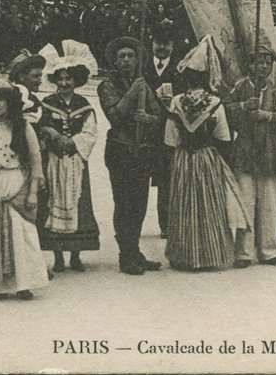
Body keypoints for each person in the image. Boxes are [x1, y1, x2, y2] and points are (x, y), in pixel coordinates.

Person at [163, 36, 247, 271]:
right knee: (209, 205)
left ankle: (184, 255)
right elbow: (223, 138)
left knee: (184, 204)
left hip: (184, 158)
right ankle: (210, 254)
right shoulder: (216, 102)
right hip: (207, 158)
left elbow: (170, 138)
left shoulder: (177, 102)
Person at [0, 76, 48, 299]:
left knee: (20, 232)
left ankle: (23, 283)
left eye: (1, 99)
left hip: (16, 180)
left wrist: (33, 191)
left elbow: (36, 159)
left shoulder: (23, 126)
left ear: (10, 102)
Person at [97, 36, 164, 275]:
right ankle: (126, 255)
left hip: (142, 151)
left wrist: (149, 119)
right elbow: (114, 115)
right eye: (121, 57)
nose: (126, 60)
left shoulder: (142, 83)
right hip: (120, 150)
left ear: (137, 60)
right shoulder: (107, 85)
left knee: (139, 204)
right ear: (115, 61)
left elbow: (159, 117)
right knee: (124, 204)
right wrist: (131, 95)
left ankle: (135, 251)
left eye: (131, 56)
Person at [226, 46, 276, 267]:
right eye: (258, 62)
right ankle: (244, 252)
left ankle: (269, 250)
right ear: (250, 65)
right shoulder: (239, 87)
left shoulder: (275, 91)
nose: (263, 66)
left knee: (269, 202)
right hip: (246, 150)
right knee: (246, 202)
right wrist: (243, 106)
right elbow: (224, 112)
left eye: (267, 62)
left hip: (270, 152)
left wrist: (268, 116)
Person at [36, 42, 100, 273]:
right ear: (54, 80)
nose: (64, 83)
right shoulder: (47, 104)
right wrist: (49, 134)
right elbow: (39, 127)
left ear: (76, 80)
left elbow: (90, 132)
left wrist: (73, 142)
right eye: (60, 79)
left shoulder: (84, 105)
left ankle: (76, 255)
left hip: (75, 161)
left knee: (77, 201)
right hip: (54, 161)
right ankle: (58, 256)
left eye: (68, 79)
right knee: (54, 200)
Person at [143, 23, 180, 238]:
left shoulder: (179, 68)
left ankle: (166, 224)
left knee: (166, 180)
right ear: (152, 44)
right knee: (140, 179)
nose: (162, 49)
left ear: (173, 46)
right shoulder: (143, 66)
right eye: (158, 44)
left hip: (167, 130)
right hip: (147, 129)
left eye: (166, 44)